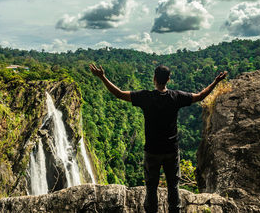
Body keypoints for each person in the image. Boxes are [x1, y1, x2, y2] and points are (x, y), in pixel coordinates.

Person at [89, 63, 227, 213]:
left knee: (151, 187)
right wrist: (216, 81)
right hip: (171, 150)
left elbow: (119, 94)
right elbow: (200, 96)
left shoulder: (145, 97)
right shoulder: (176, 97)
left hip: (152, 151)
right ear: (168, 79)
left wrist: (102, 77)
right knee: (173, 186)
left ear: (154, 78)